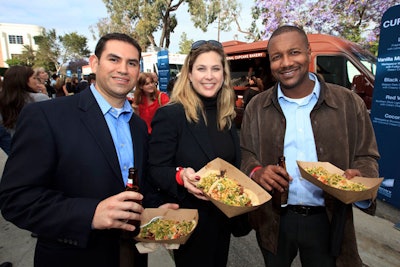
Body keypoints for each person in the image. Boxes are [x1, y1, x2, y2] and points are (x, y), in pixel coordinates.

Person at [0, 33, 177, 267]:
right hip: (73, 257)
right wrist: (90, 214)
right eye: (114, 59)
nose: (123, 69)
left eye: (132, 63)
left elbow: (135, 182)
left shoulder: (137, 127)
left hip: (131, 255)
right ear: (94, 63)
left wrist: (154, 208)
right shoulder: (46, 116)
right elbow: (16, 199)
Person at [240, 25, 380, 267]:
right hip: (274, 220)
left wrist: (361, 179)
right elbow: (247, 155)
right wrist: (257, 172)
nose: (286, 63)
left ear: (308, 51)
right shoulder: (256, 107)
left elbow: (366, 156)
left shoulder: (349, 103)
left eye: (294, 52)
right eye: (276, 57)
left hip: (327, 219)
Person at [147, 40, 241, 267]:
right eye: (201, 68)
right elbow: (155, 168)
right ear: (189, 74)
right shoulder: (172, 115)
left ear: (224, 74)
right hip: (191, 223)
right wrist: (180, 176)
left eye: (215, 69)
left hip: (222, 221)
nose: (209, 76)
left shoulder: (226, 114)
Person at [0, 66, 50, 136]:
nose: (37, 81)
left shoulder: (4, 100)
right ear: (23, 80)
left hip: (17, 142)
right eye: (34, 78)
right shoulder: (39, 98)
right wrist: (45, 95)